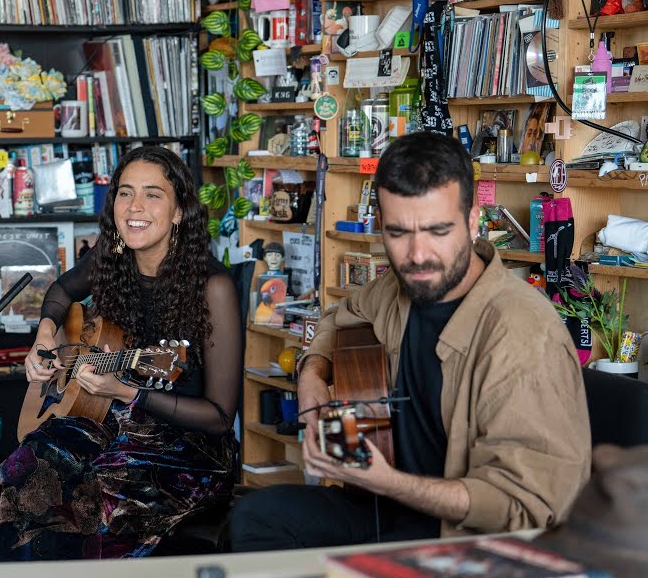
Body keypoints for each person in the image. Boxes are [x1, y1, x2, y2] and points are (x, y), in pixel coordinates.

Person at [229, 132, 591, 552]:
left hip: (465, 539)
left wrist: (390, 482)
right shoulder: (402, 287)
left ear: (474, 221)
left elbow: (528, 506)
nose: (417, 254)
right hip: (382, 506)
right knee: (254, 518)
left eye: (438, 231)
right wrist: (312, 373)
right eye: (399, 232)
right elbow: (340, 319)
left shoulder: (523, 336)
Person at [0, 145, 242, 562]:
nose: (135, 207)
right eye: (125, 192)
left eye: (153, 194)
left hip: (187, 453)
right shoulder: (114, 257)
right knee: (19, 476)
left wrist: (130, 393)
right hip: (110, 421)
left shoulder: (213, 287)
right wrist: (45, 333)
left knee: (77, 500)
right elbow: (62, 290)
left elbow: (219, 417)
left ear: (178, 212)